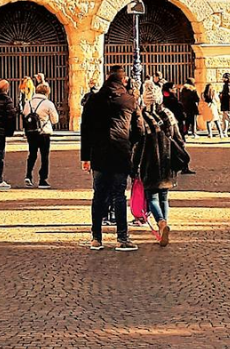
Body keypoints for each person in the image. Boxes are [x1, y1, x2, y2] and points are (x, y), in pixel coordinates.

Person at [80, 65, 142, 251]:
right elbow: (139, 129)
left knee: (98, 195)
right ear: (123, 81)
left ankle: (96, 238)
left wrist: (85, 157)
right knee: (119, 195)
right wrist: (130, 144)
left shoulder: (94, 100)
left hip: (98, 153)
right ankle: (122, 238)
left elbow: (86, 130)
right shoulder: (129, 100)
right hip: (120, 152)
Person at [136, 82, 187, 245]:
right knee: (164, 197)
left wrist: (133, 165)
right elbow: (179, 138)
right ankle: (163, 225)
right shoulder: (167, 114)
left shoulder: (141, 117)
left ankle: (161, 223)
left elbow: (136, 144)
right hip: (167, 160)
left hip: (148, 161)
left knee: (152, 197)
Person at [21, 79, 58, 187]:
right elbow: (55, 119)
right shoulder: (48, 103)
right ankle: (43, 179)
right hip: (44, 132)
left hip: (31, 132)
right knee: (44, 156)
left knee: (32, 154)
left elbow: (25, 114)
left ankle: (28, 175)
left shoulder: (28, 103)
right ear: (47, 92)